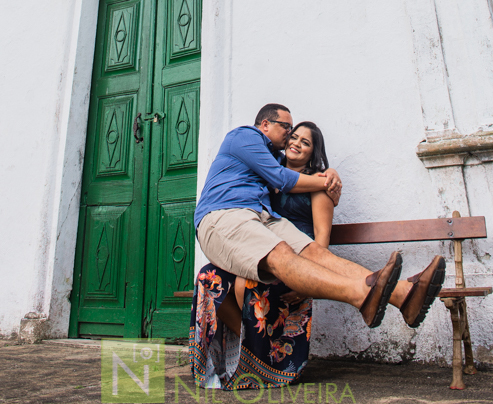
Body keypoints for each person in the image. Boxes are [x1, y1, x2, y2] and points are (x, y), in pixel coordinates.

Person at [189, 105, 445, 391]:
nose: (290, 135)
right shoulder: (243, 136)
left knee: (314, 252)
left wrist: (329, 173)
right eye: (287, 128)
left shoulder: (274, 155)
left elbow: (295, 172)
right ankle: (361, 296)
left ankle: (404, 295)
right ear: (265, 124)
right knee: (279, 253)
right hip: (225, 213)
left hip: (261, 216)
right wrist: (327, 180)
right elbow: (281, 178)